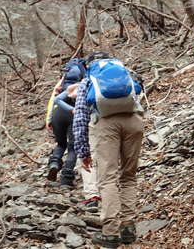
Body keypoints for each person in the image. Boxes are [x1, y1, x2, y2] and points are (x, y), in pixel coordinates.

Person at [73, 52, 144, 248]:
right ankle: (128, 227)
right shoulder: (124, 72)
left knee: (108, 179)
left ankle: (111, 233)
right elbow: (138, 92)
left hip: (106, 125)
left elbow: (80, 117)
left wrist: (83, 151)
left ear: (88, 65)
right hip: (134, 121)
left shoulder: (88, 80)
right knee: (129, 176)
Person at [54, 83, 101, 207]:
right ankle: (110, 194)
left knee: (69, 147)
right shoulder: (114, 79)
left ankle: (92, 196)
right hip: (113, 122)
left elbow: (57, 99)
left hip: (67, 116)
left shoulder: (82, 83)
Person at [45, 60, 86, 188]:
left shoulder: (62, 82)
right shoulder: (85, 79)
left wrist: (49, 118)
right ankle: (66, 179)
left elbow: (54, 98)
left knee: (61, 143)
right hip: (73, 112)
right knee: (73, 147)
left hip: (57, 112)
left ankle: (55, 163)